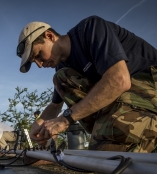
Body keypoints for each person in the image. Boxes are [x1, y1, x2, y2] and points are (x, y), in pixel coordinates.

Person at [17, 16, 157, 153]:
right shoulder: (61, 67)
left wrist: (65, 120)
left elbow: (119, 80)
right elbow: (55, 106)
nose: (39, 64)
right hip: (125, 97)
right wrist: (38, 124)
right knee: (61, 78)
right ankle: (106, 132)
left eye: (38, 55)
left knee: (105, 156)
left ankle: (142, 130)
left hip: (148, 81)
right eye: (34, 61)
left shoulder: (90, 29)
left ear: (50, 36)